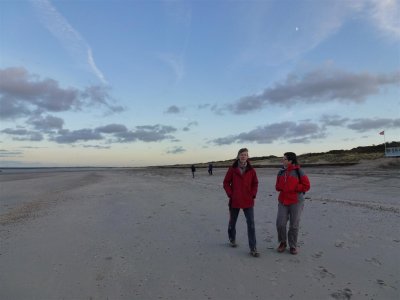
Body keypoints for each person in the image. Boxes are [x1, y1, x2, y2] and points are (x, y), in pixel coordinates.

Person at [223, 148, 259, 257]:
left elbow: (255, 183)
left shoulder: (251, 170)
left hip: (248, 200)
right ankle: (232, 239)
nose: (243, 156)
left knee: (251, 224)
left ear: (248, 157)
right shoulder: (232, 169)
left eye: (245, 155)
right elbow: (226, 182)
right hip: (235, 200)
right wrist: (231, 194)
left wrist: (253, 194)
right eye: (242, 154)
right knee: (232, 222)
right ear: (238, 156)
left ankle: (253, 248)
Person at [275, 152, 310, 255]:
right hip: (283, 201)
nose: (283, 160)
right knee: (280, 223)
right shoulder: (281, 172)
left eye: (284, 159)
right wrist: (281, 187)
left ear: (290, 161)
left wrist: (294, 188)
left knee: (294, 225)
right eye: (283, 158)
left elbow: (306, 186)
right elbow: (277, 186)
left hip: (296, 201)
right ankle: (282, 242)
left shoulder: (299, 171)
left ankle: (293, 246)